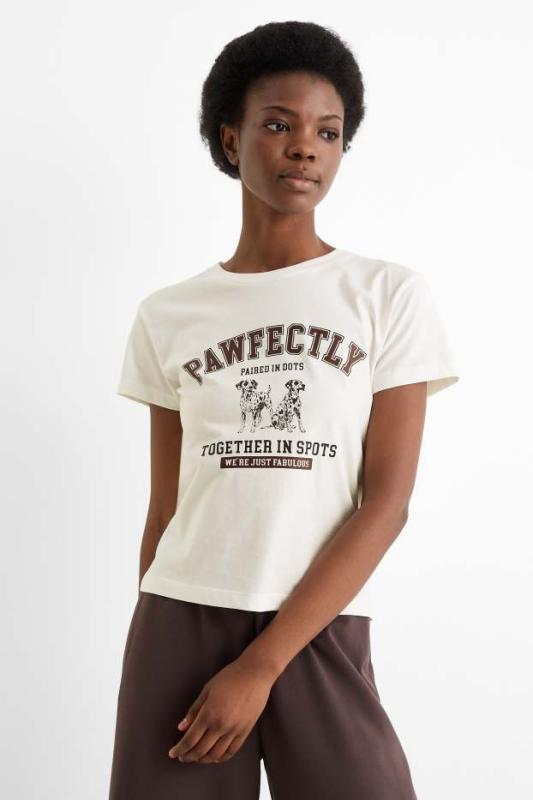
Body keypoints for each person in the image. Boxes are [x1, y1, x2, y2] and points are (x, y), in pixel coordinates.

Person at [108, 20, 459, 800]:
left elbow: (386, 504)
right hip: (182, 619)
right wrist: (157, 642)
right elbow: (166, 505)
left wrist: (262, 663)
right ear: (230, 140)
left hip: (317, 623)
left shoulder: (385, 295)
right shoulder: (168, 314)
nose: (304, 148)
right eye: (278, 125)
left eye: (327, 133)